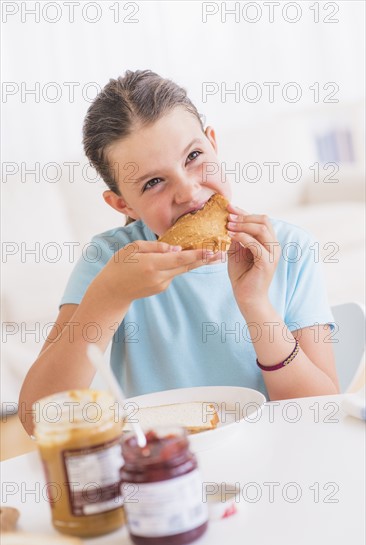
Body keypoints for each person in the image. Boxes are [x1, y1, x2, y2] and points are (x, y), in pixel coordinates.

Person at [19, 70, 339, 435]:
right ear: (123, 204)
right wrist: (108, 296)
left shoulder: (290, 249)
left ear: (213, 144)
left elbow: (322, 412)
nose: (187, 191)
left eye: (193, 156)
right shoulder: (110, 259)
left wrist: (256, 304)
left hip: (278, 460)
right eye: (153, 182)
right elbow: (36, 419)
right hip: (163, 474)